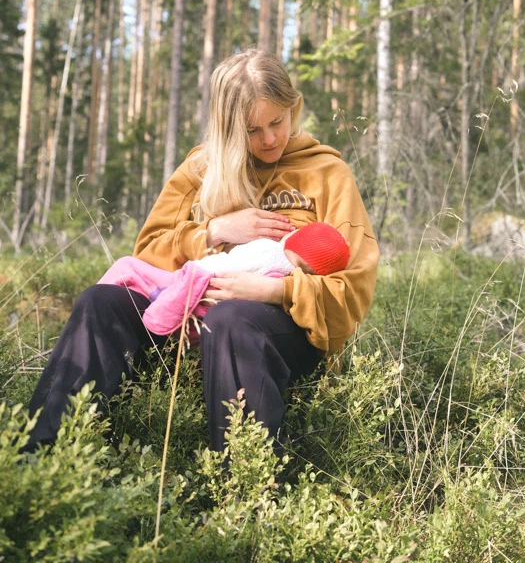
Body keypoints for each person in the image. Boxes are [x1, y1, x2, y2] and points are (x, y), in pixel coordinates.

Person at [25, 49, 379, 453]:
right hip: (180, 324)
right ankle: (44, 459)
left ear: (292, 108)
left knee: (232, 317)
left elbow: (353, 290)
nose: (268, 139)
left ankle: (246, 489)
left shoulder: (326, 174)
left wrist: (274, 291)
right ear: (227, 128)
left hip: (275, 334)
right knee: (99, 302)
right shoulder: (199, 170)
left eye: (277, 122)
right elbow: (147, 254)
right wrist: (212, 231)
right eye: (251, 130)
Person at [96, 222, 352, 340]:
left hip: (196, 281)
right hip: (210, 307)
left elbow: (228, 266)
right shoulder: (283, 271)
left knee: (125, 266)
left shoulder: (268, 252)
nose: (269, 139)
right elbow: (151, 244)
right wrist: (211, 232)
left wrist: (195, 269)